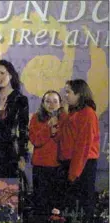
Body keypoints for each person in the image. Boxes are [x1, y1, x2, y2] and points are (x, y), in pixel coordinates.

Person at [59, 79, 99, 222]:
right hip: (71, 164)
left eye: (68, 92)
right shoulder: (74, 112)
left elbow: (83, 145)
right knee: (70, 208)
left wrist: (73, 173)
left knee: (82, 207)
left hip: (82, 165)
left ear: (79, 94)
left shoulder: (87, 113)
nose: (65, 96)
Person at [29, 90, 65, 214]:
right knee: (40, 204)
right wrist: (49, 127)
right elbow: (35, 140)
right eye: (48, 101)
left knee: (56, 205)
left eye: (55, 101)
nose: (51, 104)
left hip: (58, 166)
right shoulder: (36, 118)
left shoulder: (65, 119)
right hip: (41, 167)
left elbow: (64, 141)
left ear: (60, 103)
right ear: (43, 104)